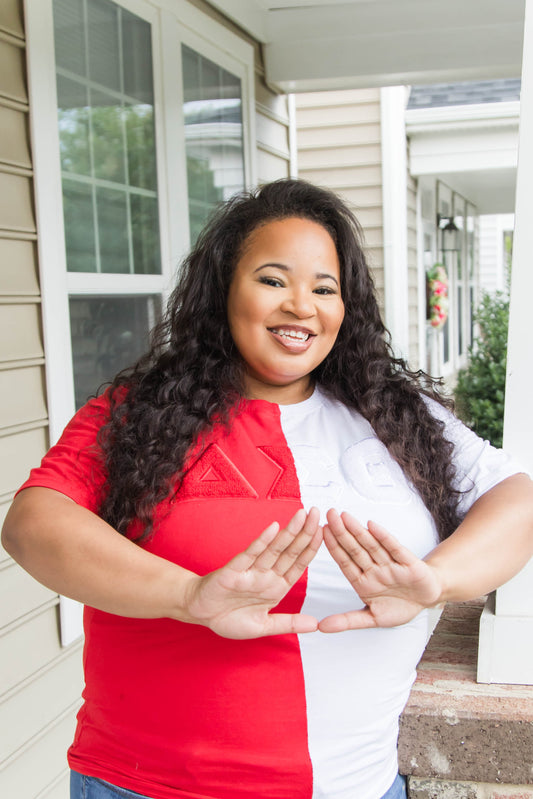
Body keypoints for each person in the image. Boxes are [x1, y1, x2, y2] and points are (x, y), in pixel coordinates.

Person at [2, 179, 533, 799]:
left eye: (324, 288)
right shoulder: (135, 413)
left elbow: (515, 499)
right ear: (223, 291)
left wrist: (437, 582)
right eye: (273, 280)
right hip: (150, 786)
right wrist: (188, 595)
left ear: (346, 307)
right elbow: (34, 522)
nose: (301, 305)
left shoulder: (397, 415)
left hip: (357, 785)